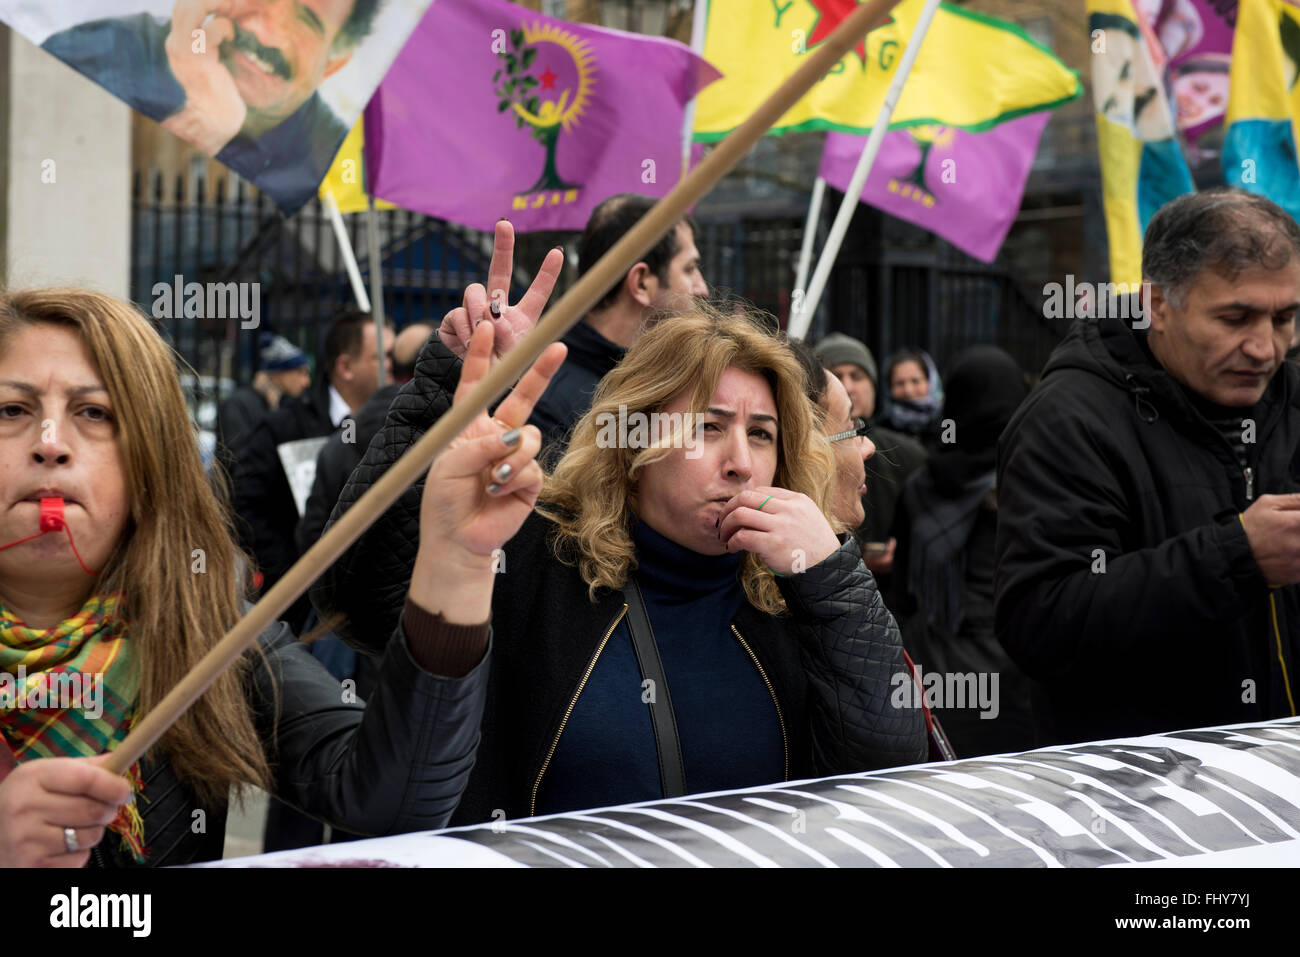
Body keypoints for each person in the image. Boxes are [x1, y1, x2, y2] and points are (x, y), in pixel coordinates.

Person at [0, 288, 562, 867]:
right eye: (12, 411)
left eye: (93, 413)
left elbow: (389, 802)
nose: (49, 445)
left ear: (150, 458)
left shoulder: (208, 629)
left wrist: (458, 557)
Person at [316, 292, 928, 823]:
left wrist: (833, 579)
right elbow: (359, 601)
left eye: (761, 434)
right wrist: (443, 393)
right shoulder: (537, 552)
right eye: (708, 428)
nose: (740, 460)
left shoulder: (798, 588)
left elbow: (886, 773)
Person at [996, 188, 1300, 747]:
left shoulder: (1292, 398)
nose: (1266, 348)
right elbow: (1042, 622)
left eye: (1284, 318)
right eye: (1235, 318)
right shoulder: (1069, 422)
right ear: (1157, 305)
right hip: (1147, 806)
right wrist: (1238, 556)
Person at [43, 0, 381, 210]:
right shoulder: (112, 47)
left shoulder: (327, 152)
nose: (264, 32)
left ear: (333, 64)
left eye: (304, 22)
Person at [439, 198, 708, 459]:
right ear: (640, 282)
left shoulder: (673, 380)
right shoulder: (546, 397)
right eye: (690, 269)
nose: (702, 289)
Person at [890, 345, 1034, 757]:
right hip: (1016, 679)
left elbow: (902, 595)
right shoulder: (1034, 484)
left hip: (936, 682)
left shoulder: (921, 484)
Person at [233, 309, 389, 631]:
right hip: (298, 611)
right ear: (346, 366)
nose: (390, 367)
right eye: (380, 357)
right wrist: (291, 571)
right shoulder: (283, 427)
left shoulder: (395, 429)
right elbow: (245, 504)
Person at [815, 332, 927, 576]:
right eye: (836, 375)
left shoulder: (910, 454)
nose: (848, 386)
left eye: (857, 376)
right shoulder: (807, 456)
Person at [216, 332, 310, 472]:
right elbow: (240, 461)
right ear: (278, 373)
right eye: (300, 372)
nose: (306, 382)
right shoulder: (237, 405)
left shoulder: (291, 404)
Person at [882, 349, 944, 445]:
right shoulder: (882, 429)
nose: (908, 390)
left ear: (931, 382)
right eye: (899, 383)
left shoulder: (947, 423)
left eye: (915, 381)